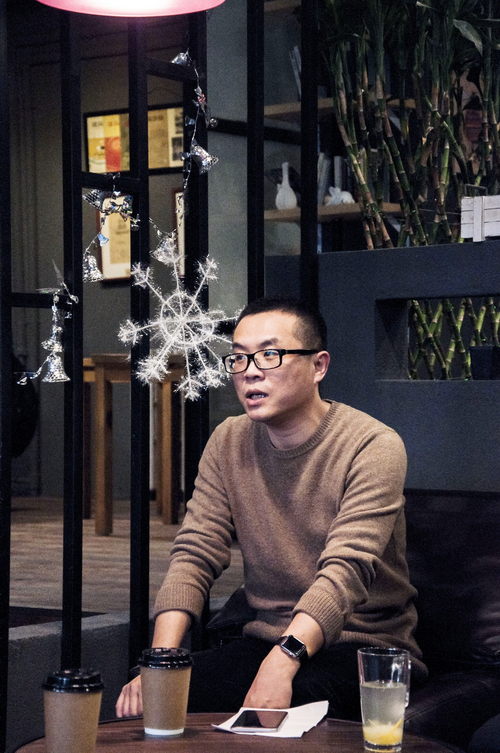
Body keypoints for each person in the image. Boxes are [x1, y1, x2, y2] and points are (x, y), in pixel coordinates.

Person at [116, 296, 427, 719]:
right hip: (264, 639)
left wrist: (283, 661)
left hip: (364, 647)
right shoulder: (228, 441)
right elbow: (195, 553)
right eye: (239, 358)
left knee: (287, 705)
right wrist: (160, 661)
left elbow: (346, 571)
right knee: (153, 701)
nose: (250, 372)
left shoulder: (372, 445)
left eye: (269, 355)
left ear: (318, 366)